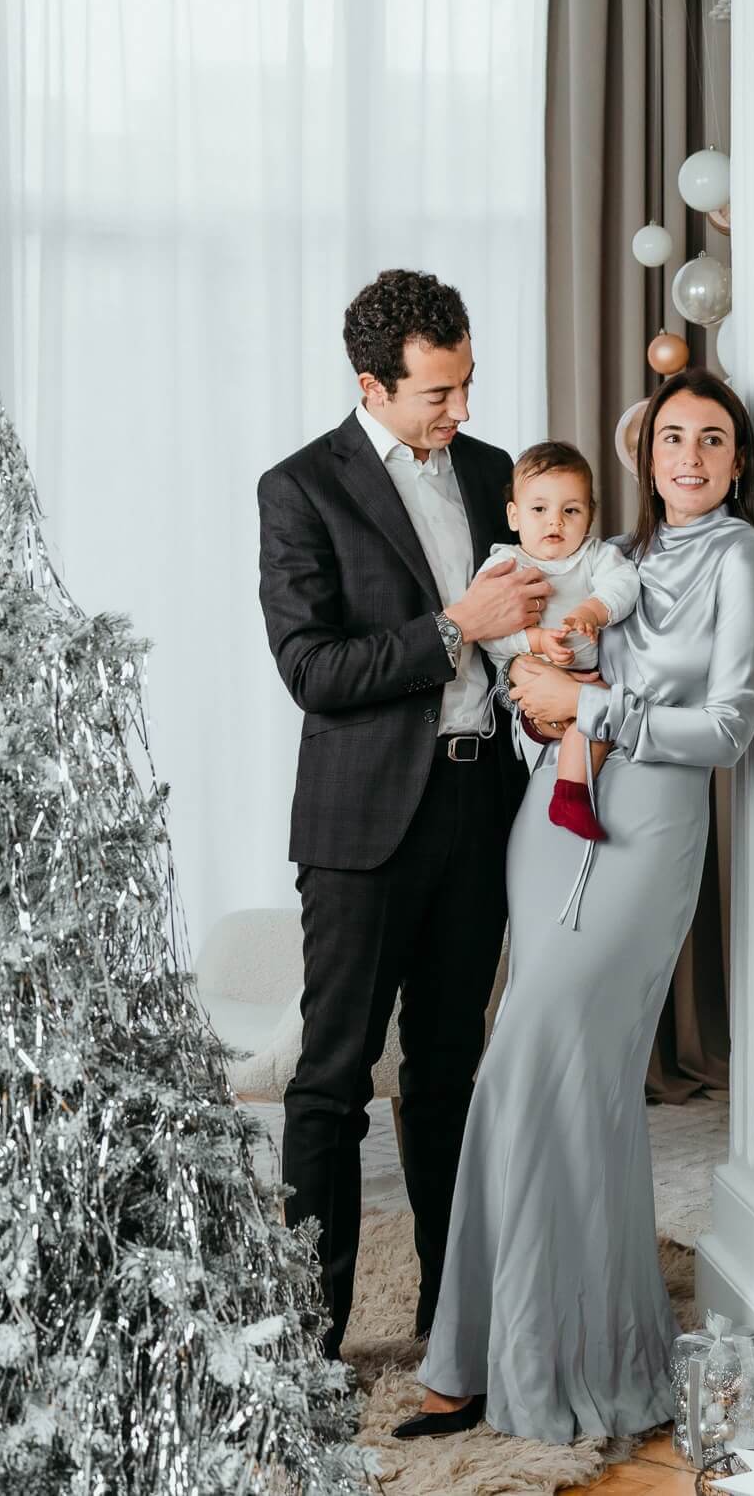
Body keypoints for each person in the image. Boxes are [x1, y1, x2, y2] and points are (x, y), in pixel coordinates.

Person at [395, 367, 754, 1443]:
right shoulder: (622, 558)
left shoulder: (747, 560)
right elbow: (546, 690)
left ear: (736, 460)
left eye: (712, 439)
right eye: (671, 438)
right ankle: (476, 1350)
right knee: (522, 1062)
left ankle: (553, 1353)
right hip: (549, 823)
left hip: (649, 832)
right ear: (644, 454)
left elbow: (728, 729)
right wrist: (542, 698)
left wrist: (590, 703)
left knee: (562, 1068)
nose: (689, 457)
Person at [257, 268, 550, 1360]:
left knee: (450, 1075)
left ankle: (451, 1319)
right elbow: (309, 668)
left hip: (482, 806)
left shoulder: (486, 473)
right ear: (373, 386)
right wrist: (449, 628)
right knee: (332, 1082)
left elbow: (535, 616)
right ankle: (308, 1341)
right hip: (361, 827)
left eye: (467, 383)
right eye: (439, 393)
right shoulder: (298, 489)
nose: (463, 412)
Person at [475, 440, 641, 842]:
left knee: (602, 713)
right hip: (531, 687)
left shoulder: (595, 556)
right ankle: (554, 796)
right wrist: (534, 640)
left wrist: (592, 610)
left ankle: (570, 795)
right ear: (514, 515)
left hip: (585, 680)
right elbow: (487, 633)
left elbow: (625, 584)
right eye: (539, 509)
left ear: (589, 517)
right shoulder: (506, 564)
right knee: (584, 712)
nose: (556, 522)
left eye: (571, 510)